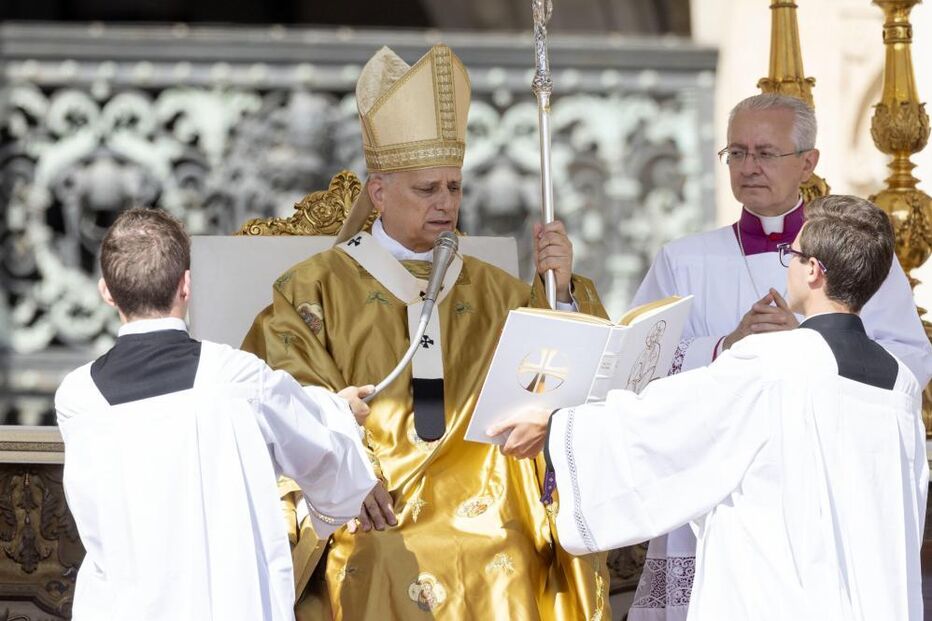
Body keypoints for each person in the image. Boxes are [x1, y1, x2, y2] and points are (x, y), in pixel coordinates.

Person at [242, 44, 610, 620]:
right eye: (427, 190)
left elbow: (563, 380)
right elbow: (290, 392)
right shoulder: (312, 289)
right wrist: (348, 477)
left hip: (486, 500)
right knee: (378, 558)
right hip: (371, 496)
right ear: (379, 192)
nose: (446, 205)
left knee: (511, 547)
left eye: (454, 188)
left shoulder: (499, 291)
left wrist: (559, 290)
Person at [493, 195, 928, 621]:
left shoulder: (774, 361)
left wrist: (557, 430)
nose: (787, 265)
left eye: (791, 256)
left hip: (782, 599)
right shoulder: (899, 383)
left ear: (813, 271)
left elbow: (665, 424)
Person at [621, 92, 932, 620]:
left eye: (766, 153)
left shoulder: (856, 256)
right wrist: (724, 347)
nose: (749, 167)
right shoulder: (683, 259)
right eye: (736, 153)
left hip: (824, 489)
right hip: (715, 494)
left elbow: (908, 361)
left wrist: (815, 338)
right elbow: (636, 363)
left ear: (807, 162)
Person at [56, 208, 378, 621]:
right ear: (187, 285)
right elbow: (319, 448)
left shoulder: (78, 398)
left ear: (107, 292)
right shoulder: (237, 379)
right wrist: (340, 410)